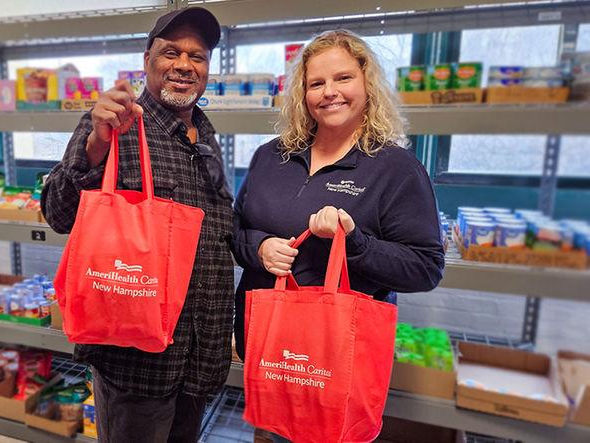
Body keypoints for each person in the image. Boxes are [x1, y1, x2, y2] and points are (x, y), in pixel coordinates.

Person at [229, 30, 445, 441]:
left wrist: (354, 241)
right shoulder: (270, 157)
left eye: (343, 78)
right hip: (268, 347)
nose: (329, 92)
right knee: (273, 432)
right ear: (302, 93)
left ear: (367, 84)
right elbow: (235, 228)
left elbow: (425, 268)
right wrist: (259, 248)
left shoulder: (396, 169)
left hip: (334, 362)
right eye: (316, 83)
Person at [42, 7, 234, 443]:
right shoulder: (114, 125)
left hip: (200, 355)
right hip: (137, 366)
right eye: (171, 52)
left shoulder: (207, 138)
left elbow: (220, 229)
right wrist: (95, 146)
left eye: (197, 56)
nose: (184, 65)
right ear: (147, 60)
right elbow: (57, 214)